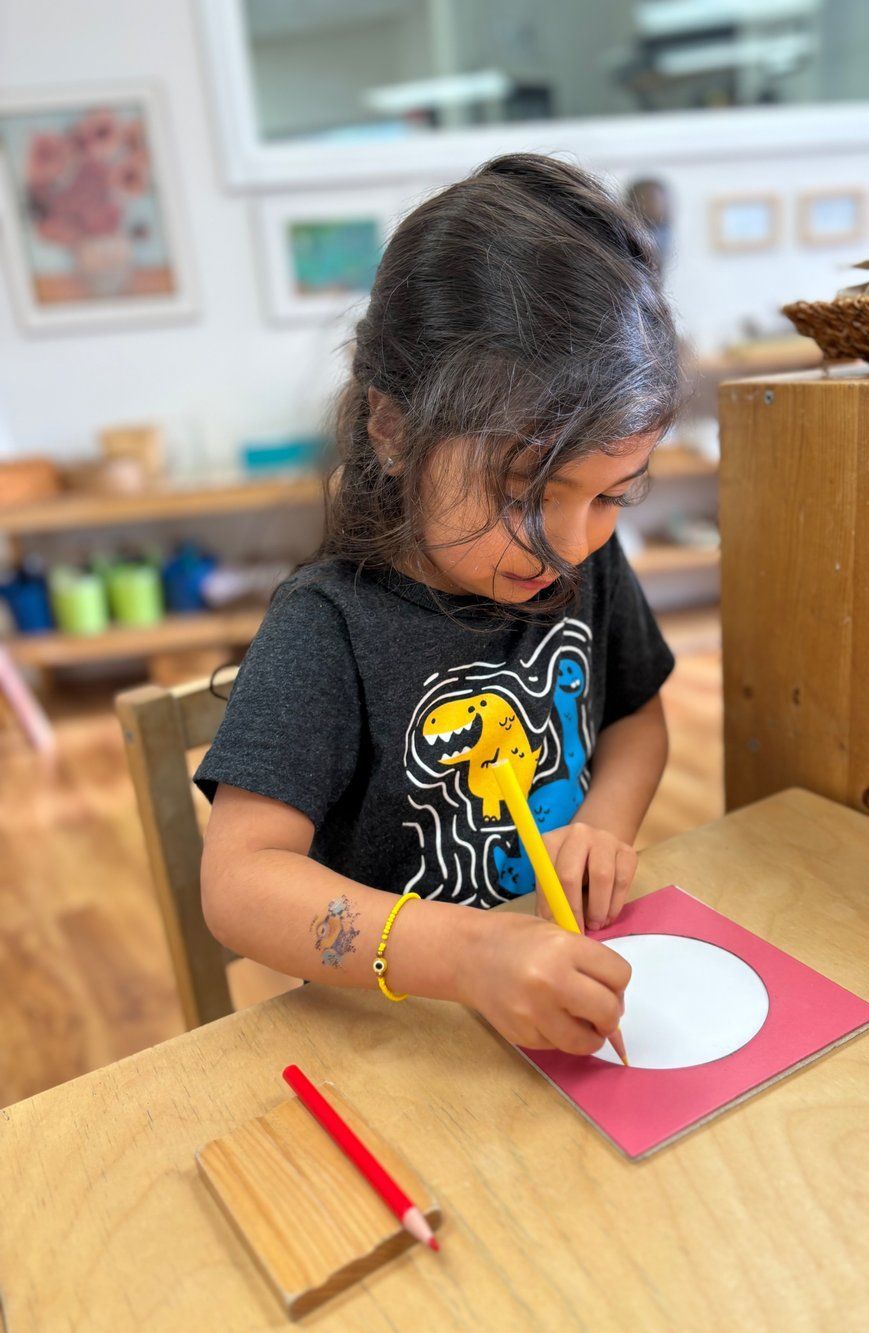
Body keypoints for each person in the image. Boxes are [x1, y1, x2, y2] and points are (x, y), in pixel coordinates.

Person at [196, 153, 679, 1058]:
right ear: (391, 425)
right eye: (527, 493)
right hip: (397, 1040)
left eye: (614, 494)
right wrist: (470, 952)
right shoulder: (327, 627)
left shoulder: (582, 565)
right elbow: (240, 884)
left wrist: (602, 828)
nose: (572, 541)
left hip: (552, 997)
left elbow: (637, 719)